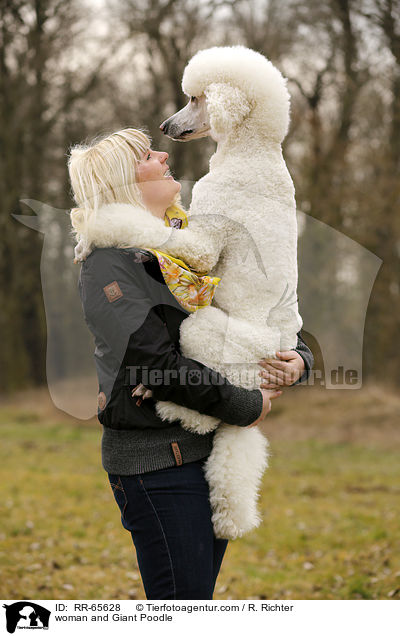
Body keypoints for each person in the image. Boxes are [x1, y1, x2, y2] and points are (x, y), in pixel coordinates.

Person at [67, 128, 314, 600]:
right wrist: (246, 404)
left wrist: (299, 360)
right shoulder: (109, 264)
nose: (164, 154)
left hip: (209, 457)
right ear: (123, 181)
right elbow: (153, 364)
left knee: (194, 601)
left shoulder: (190, 250)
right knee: (182, 609)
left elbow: (261, 309)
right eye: (147, 155)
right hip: (158, 464)